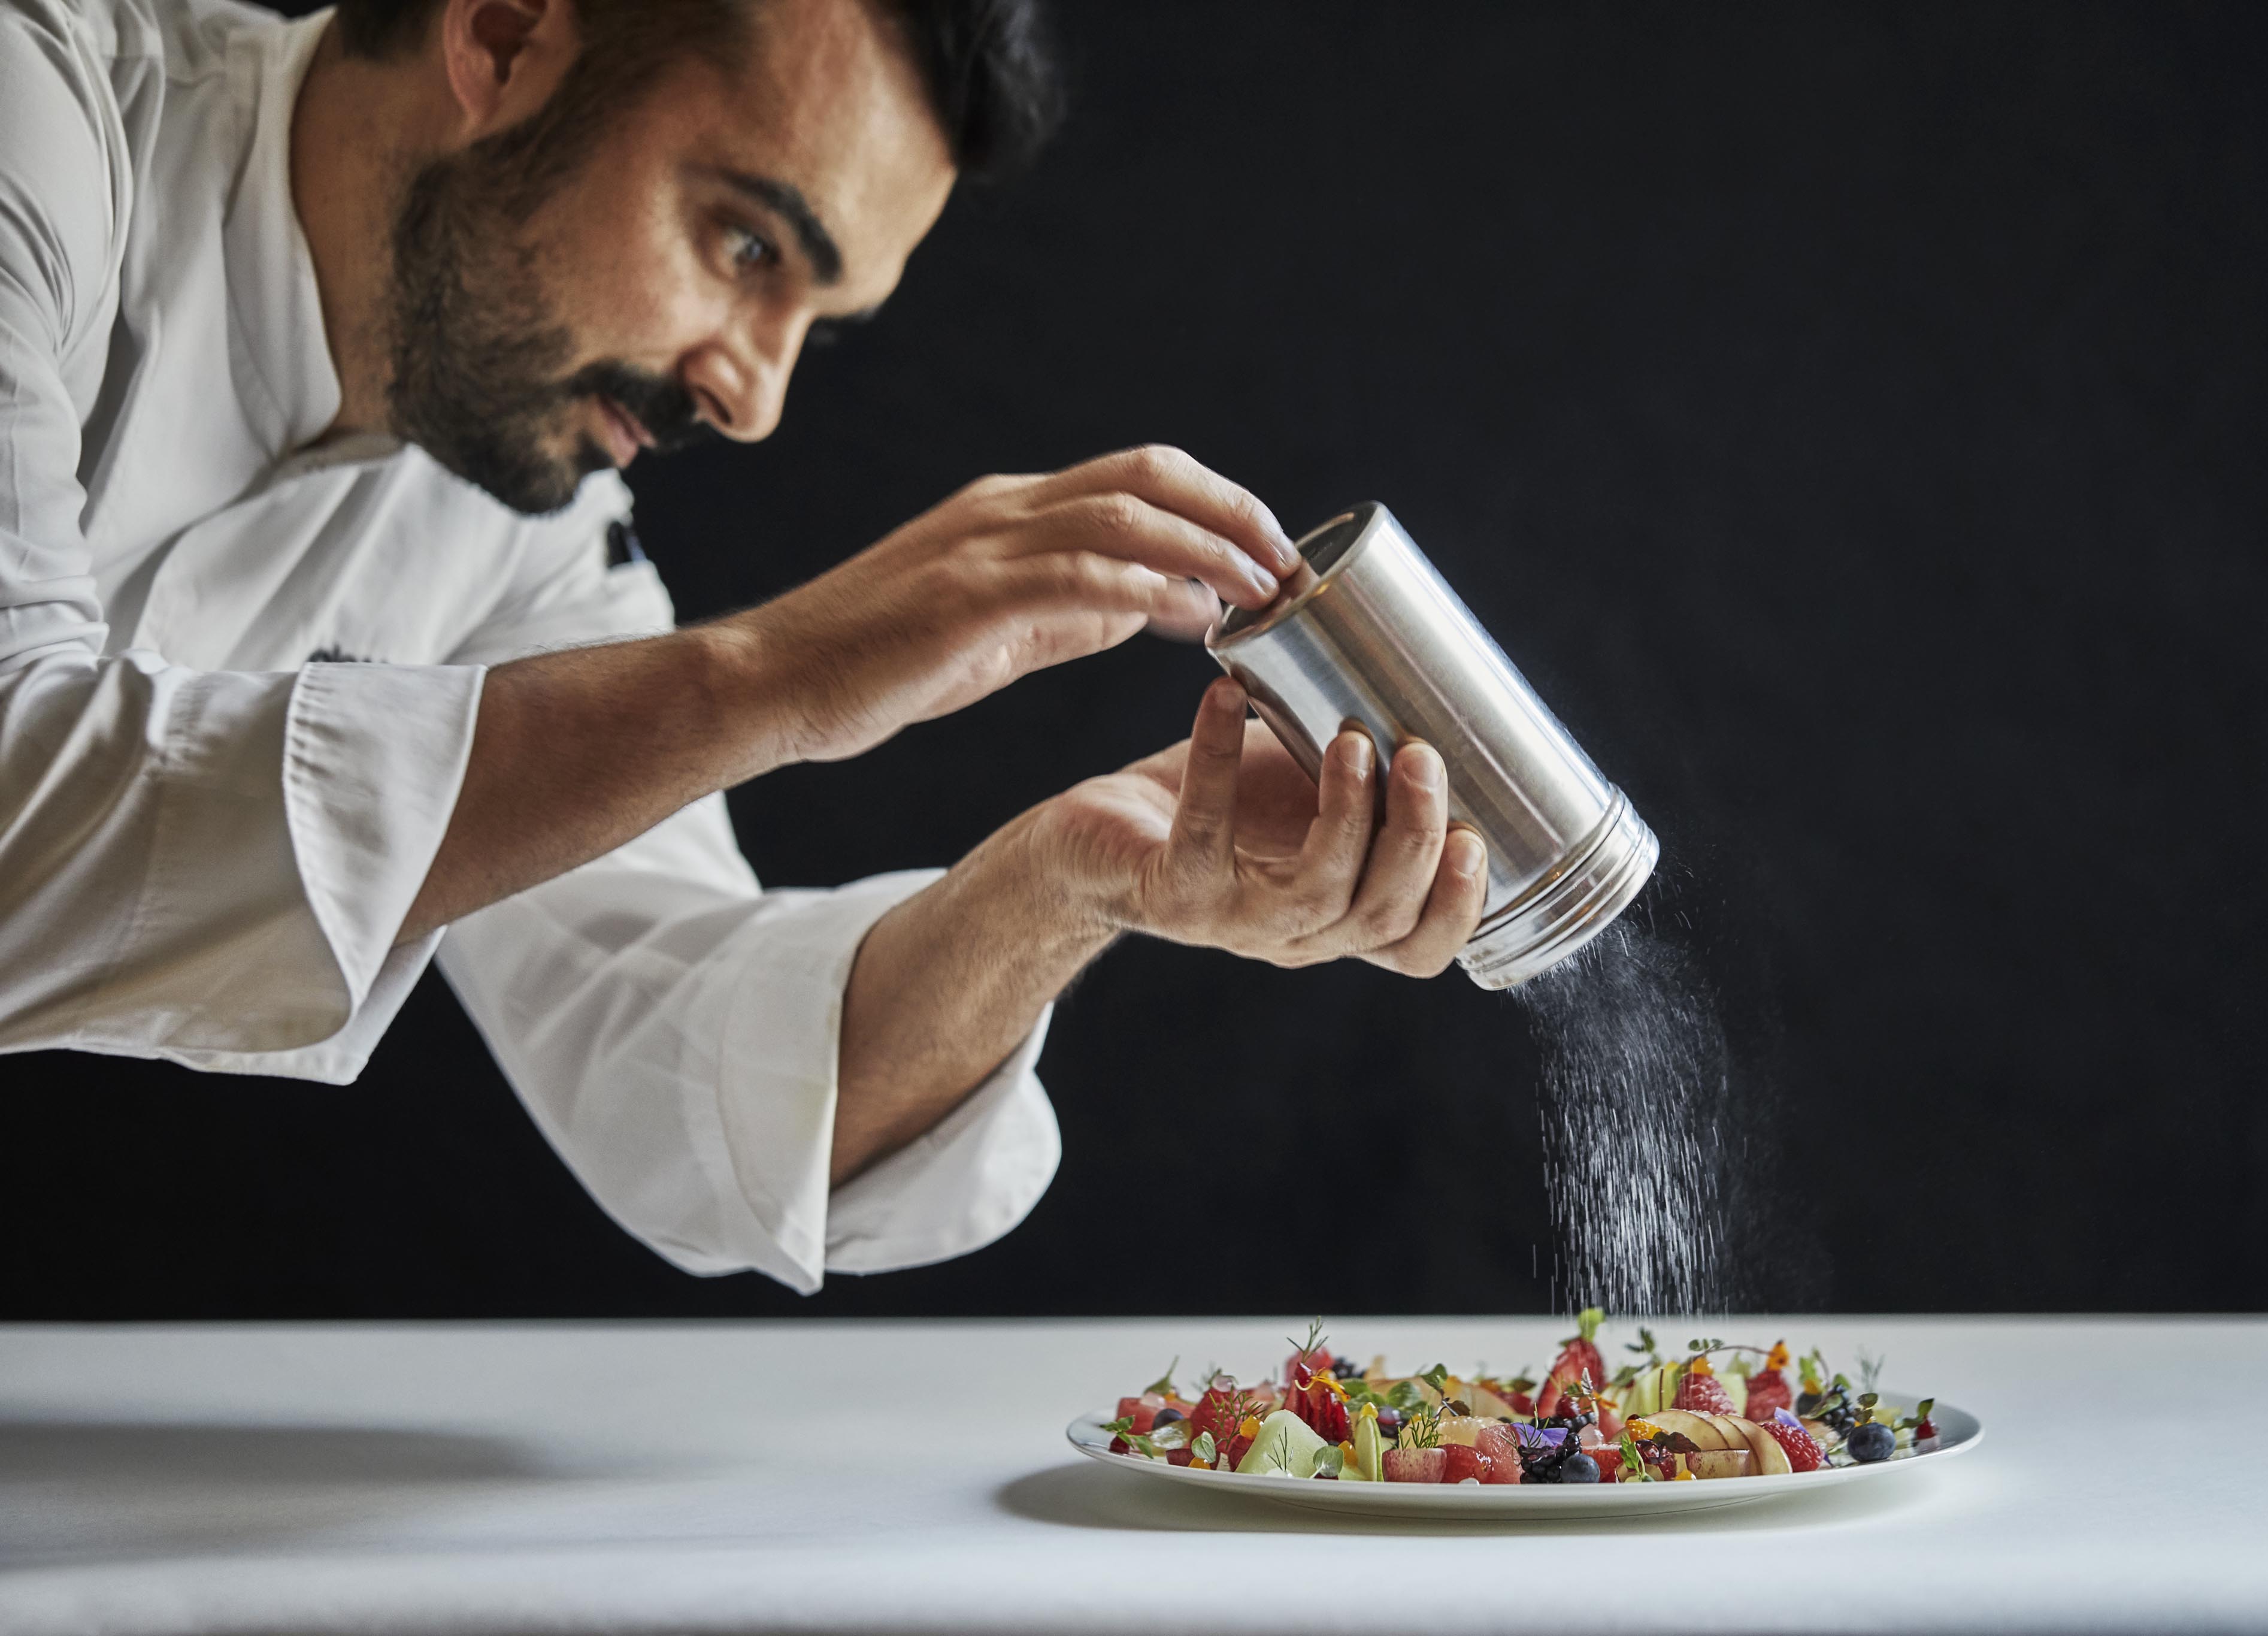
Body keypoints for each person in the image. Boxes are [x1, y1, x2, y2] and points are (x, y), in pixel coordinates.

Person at [0, 0, 1490, 1291]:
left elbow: (688, 1071)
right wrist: (771, 676)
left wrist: (1070, 879)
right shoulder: (42, 120)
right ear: (505, 33)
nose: (754, 393)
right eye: (742, 240)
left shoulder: (508, 531)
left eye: (812, 319)